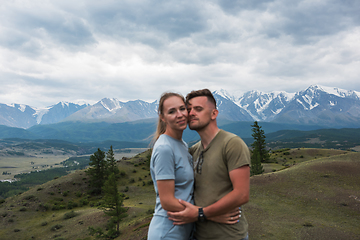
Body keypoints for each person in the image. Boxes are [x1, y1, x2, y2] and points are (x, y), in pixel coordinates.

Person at [167, 89, 251, 240]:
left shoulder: (232, 144)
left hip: (229, 236)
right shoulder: (194, 150)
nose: (191, 113)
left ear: (214, 114)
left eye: (198, 109)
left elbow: (242, 194)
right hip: (198, 234)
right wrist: (207, 215)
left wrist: (201, 213)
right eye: (189, 109)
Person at [147, 92, 195, 240]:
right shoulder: (164, 148)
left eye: (182, 108)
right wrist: (201, 213)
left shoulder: (182, 145)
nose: (180, 115)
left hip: (181, 230)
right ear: (163, 117)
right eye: (172, 111)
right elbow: (167, 201)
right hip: (167, 231)